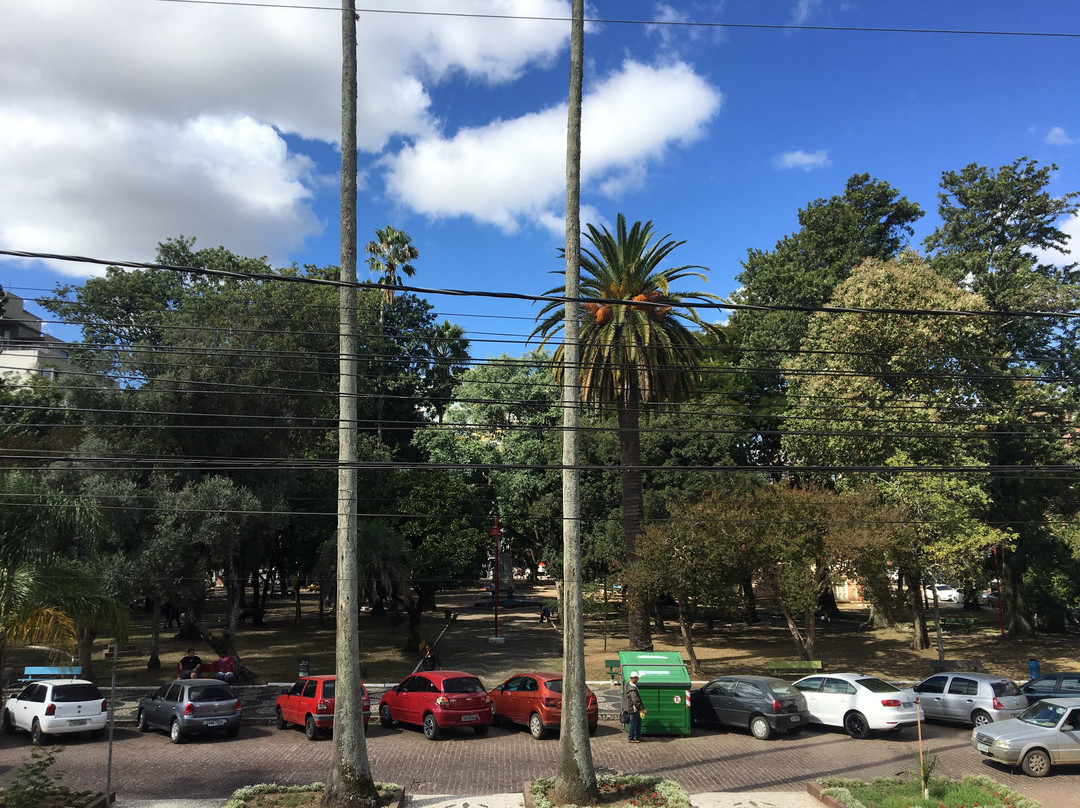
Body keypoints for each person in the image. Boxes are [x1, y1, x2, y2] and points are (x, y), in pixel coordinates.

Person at [625, 670, 645, 743]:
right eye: (637, 678)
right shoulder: (632, 689)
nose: (638, 680)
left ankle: (638, 736)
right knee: (633, 724)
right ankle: (631, 738)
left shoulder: (629, 686)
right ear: (634, 678)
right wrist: (642, 709)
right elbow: (635, 701)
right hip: (633, 709)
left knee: (638, 723)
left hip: (634, 709)